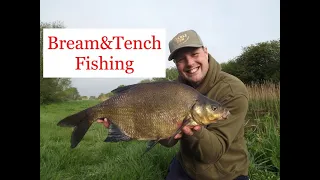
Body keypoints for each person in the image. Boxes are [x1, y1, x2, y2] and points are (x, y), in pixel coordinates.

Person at [98, 30, 250, 180]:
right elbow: (169, 141)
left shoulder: (233, 90)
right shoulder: (174, 89)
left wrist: (193, 129)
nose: (190, 63)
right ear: (176, 64)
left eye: (194, 54)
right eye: (181, 59)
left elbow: (212, 154)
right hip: (187, 166)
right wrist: (135, 126)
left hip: (226, 174)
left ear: (205, 51)